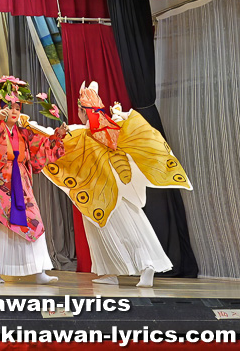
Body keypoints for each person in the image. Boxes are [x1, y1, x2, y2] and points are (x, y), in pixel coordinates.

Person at [43, 82, 191, 287]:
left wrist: (34, 127)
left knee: (113, 230)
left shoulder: (81, 132)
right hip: (114, 189)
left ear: (83, 111)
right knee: (131, 227)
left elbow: (48, 137)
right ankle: (121, 270)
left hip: (100, 193)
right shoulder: (112, 128)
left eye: (80, 109)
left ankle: (132, 268)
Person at [0, 76, 66, 285]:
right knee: (2, 223)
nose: (15, 110)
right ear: (1, 107)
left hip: (22, 181)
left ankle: (38, 271)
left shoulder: (23, 132)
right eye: (10, 106)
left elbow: (41, 148)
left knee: (34, 221)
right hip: (1, 182)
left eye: (17, 107)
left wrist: (57, 136)